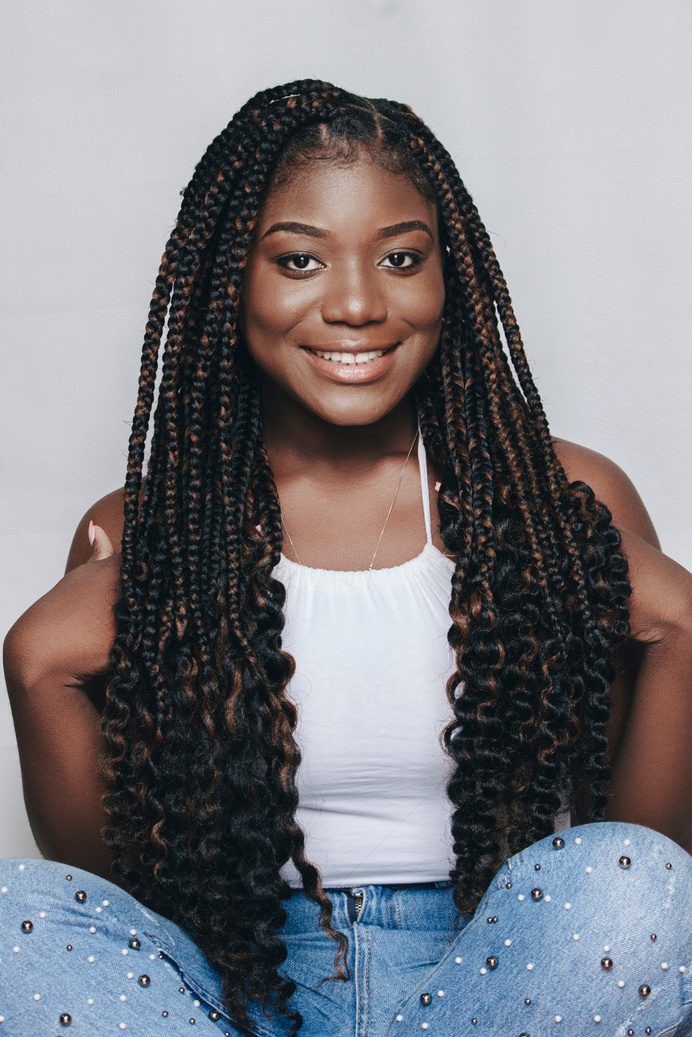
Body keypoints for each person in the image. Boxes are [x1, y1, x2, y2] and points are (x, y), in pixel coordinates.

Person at [3, 80, 692, 1037]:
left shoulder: (561, 505)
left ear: (450, 278)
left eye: (402, 258)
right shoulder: (151, 536)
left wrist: (681, 620)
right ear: (228, 283)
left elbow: (634, 869)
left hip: (503, 981)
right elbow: (123, 915)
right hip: (240, 994)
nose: (360, 303)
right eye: (298, 260)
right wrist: (37, 663)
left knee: (640, 886)